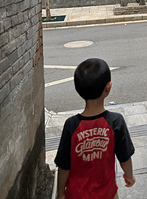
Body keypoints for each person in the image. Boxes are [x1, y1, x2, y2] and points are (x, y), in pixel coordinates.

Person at [55, 58, 135, 199]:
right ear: (108, 87)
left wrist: (61, 193)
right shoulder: (115, 122)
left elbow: (64, 165)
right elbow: (124, 156)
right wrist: (129, 176)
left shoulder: (71, 125)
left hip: (76, 194)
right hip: (106, 194)